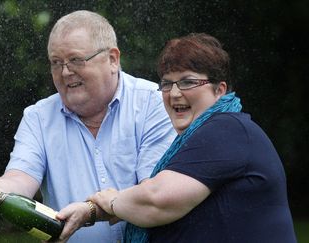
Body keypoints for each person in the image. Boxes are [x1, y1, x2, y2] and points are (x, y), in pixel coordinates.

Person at [0, 10, 176, 243]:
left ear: (113, 59)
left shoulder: (155, 103)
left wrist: (91, 211)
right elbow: (19, 182)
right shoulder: (38, 118)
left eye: (75, 60)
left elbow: (154, 195)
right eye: (56, 63)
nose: (65, 72)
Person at [58, 33, 297, 242]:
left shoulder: (226, 129)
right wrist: (90, 212)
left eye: (188, 82)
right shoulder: (204, 136)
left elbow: (156, 201)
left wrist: (111, 201)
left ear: (220, 90)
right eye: (167, 83)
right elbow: (154, 200)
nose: (174, 93)